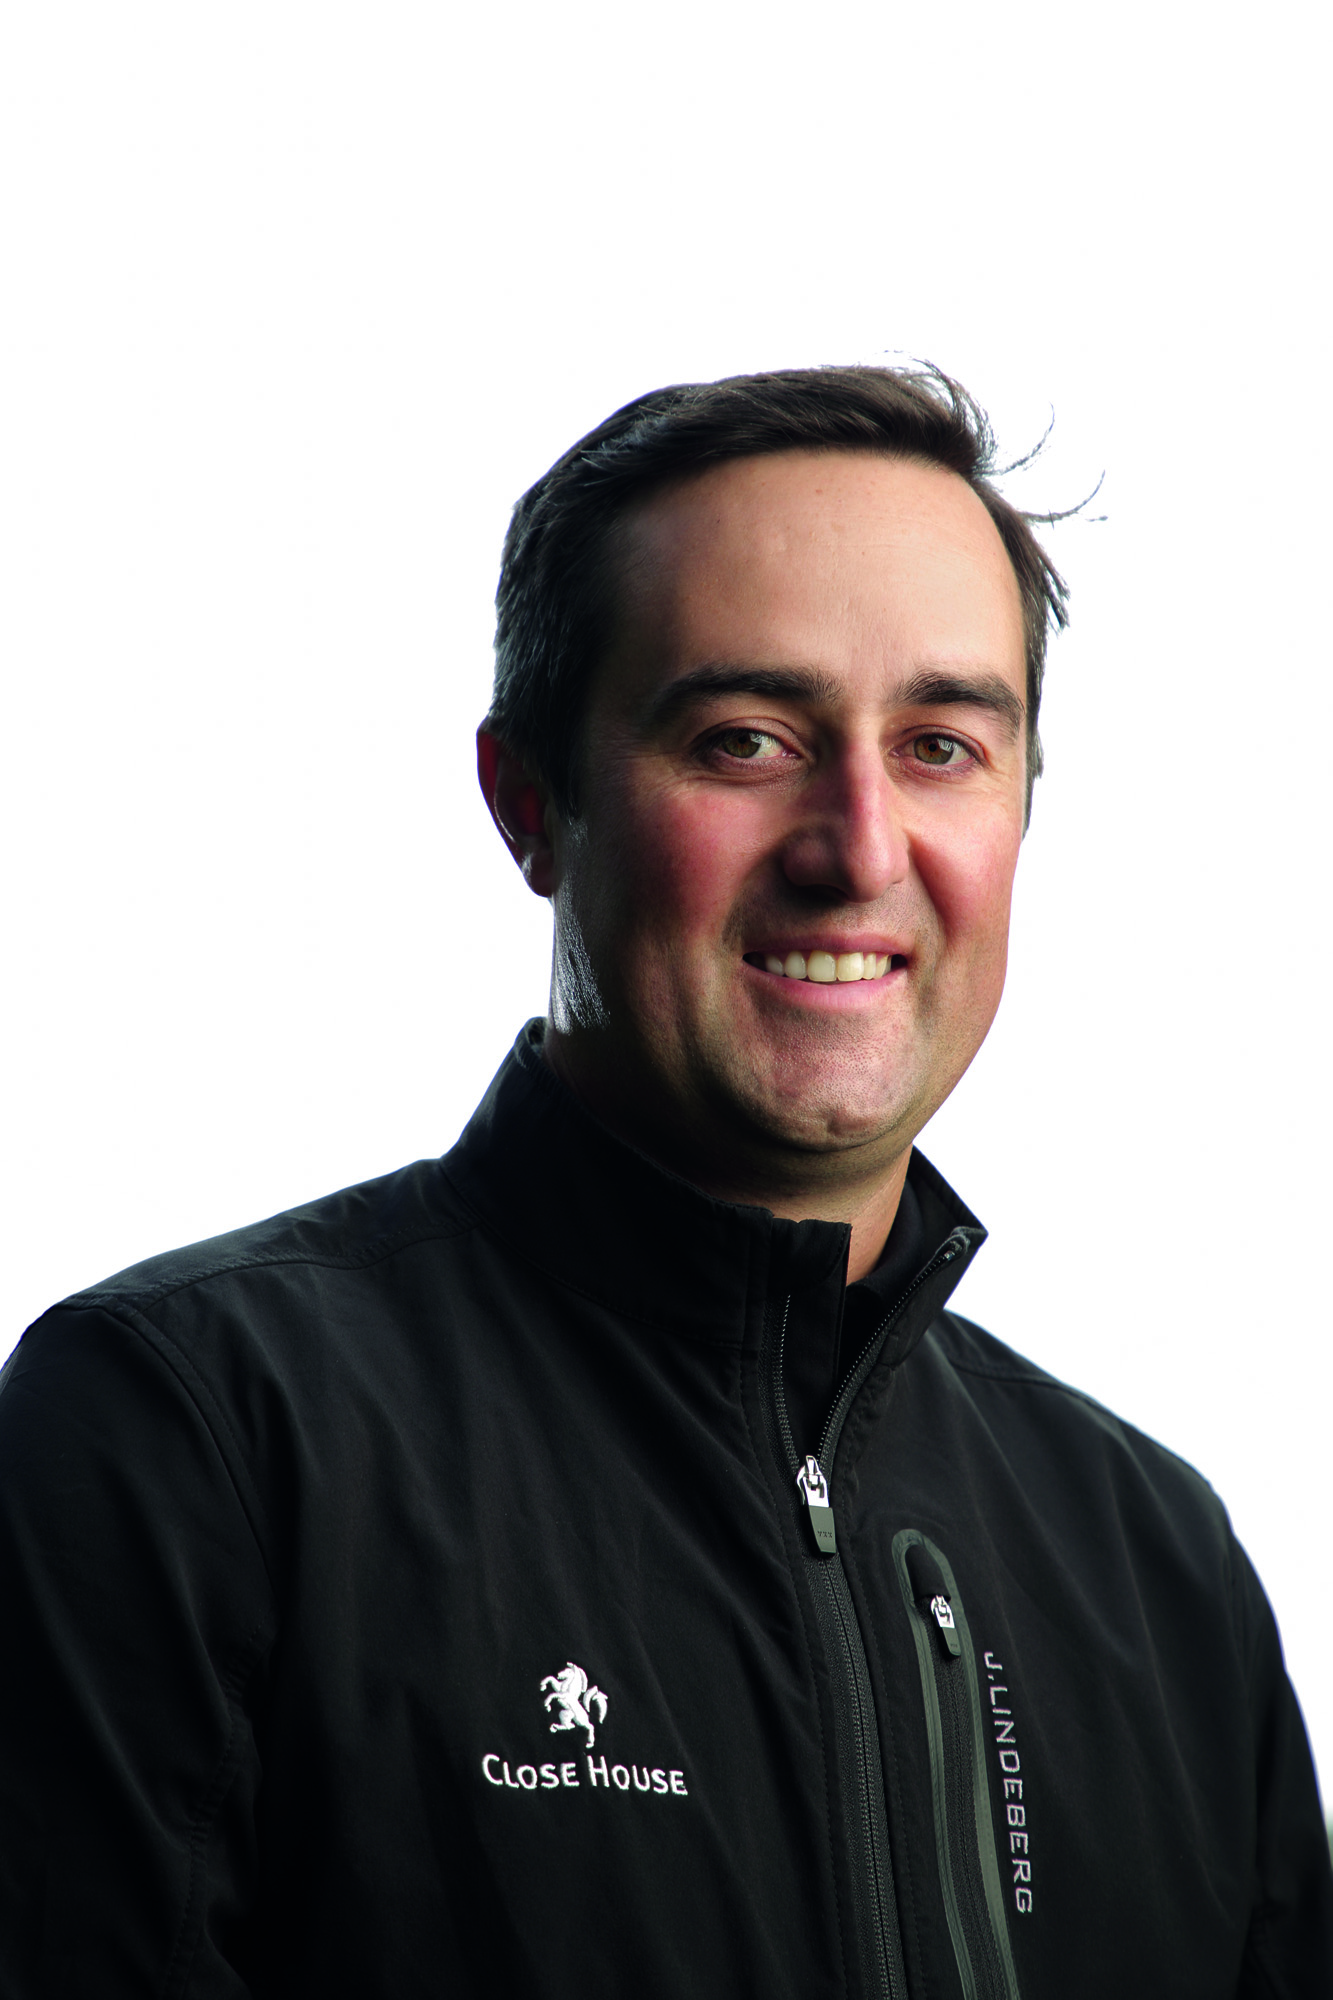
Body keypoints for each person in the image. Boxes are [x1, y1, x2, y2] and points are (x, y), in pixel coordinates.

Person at [1, 365, 1328, 1999]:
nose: (860, 847)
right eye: (746, 740)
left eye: (941, 745)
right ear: (531, 806)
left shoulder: (1163, 1573)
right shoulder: (189, 1434)